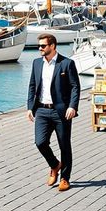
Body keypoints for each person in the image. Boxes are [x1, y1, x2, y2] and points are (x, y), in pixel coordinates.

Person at [26, 33, 80, 192]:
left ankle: (65, 178)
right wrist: (30, 107)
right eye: (39, 46)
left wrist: (72, 106)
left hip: (61, 111)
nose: (40, 48)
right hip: (42, 110)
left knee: (64, 145)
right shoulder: (36, 63)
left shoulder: (67, 63)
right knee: (40, 142)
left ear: (52, 46)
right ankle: (55, 165)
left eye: (43, 46)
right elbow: (32, 86)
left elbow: (75, 87)